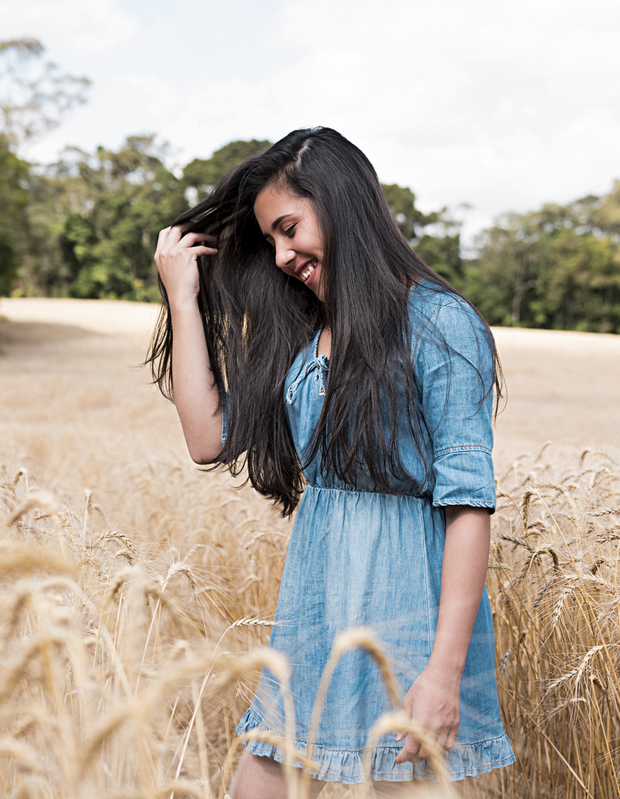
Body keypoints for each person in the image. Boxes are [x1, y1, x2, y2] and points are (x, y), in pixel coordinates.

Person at [148, 127, 515, 798]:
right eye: (271, 242)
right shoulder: (300, 334)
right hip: (313, 617)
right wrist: (181, 295)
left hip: (406, 623)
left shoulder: (439, 324)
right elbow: (208, 438)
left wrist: (442, 673)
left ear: (340, 202)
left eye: (290, 228)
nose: (283, 255)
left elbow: (468, 504)